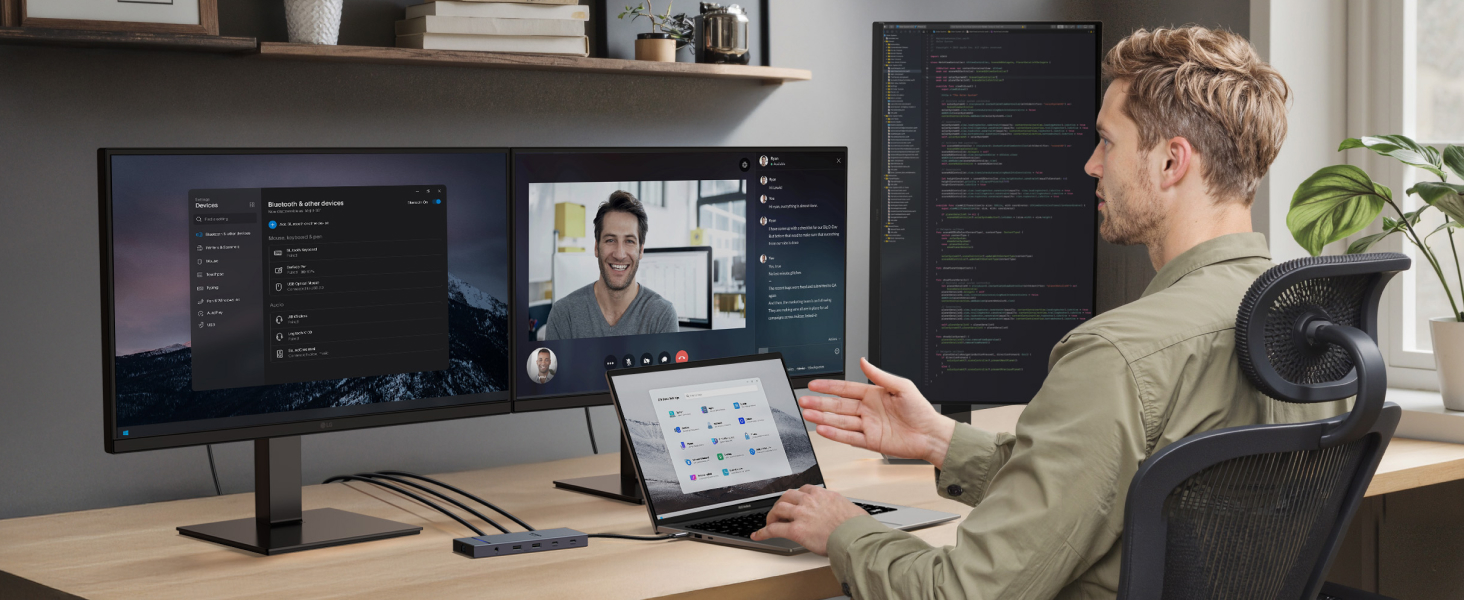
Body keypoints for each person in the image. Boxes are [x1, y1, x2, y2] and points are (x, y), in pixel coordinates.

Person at [750, 26, 1346, 599]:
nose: (1091, 164)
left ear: (1172, 163)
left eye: (1107, 141)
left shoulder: (1117, 356)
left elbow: (959, 593)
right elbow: (1124, 492)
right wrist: (943, 440)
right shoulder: (1312, 325)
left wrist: (844, 529)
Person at [544, 191, 678, 340]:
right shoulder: (564, 315)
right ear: (596, 247)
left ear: (640, 250)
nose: (619, 254)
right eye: (610, 240)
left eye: (629, 241)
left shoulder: (661, 316)